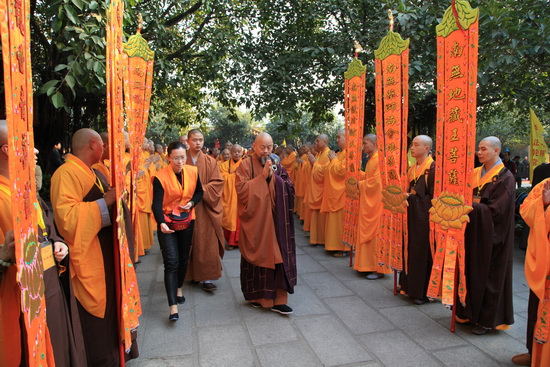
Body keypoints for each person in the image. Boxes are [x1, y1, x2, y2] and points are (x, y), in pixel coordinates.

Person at [0, 122, 86, 366]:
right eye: (28, 145)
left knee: (58, 350)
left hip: (49, 283)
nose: (37, 151)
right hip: (20, 299)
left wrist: (59, 244)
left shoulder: (25, 190)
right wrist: (4, 255)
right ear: (8, 150)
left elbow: (47, 230)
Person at [50, 128, 138, 365]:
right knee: (95, 321)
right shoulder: (65, 173)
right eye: (103, 145)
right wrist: (106, 201)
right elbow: (67, 220)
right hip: (89, 257)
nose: (106, 150)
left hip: (104, 255)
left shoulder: (93, 173)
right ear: (93, 145)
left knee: (111, 312)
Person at [456, 136, 515, 335]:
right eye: (478, 149)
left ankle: (486, 320)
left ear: (496, 151)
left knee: (489, 275)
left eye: (483, 149)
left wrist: (470, 206)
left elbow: (497, 211)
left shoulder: (506, 177)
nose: (478, 152)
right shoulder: (474, 173)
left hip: (492, 237)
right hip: (472, 231)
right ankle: (467, 312)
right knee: (469, 270)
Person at [235, 132, 297, 314]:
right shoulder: (245, 165)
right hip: (257, 222)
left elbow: (289, 186)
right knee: (257, 260)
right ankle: (256, 296)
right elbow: (241, 190)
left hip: (277, 222)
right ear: (253, 146)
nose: (266, 151)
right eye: (262, 147)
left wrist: (274, 179)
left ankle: (279, 300)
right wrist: (262, 178)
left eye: (269, 147)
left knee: (278, 258)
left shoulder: (277, 164)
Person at [152, 142, 203, 321]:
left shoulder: (193, 171)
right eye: (176, 158)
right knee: (171, 262)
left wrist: (191, 203)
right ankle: (173, 307)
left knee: (183, 258)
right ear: (168, 158)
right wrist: (160, 222)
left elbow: (199, 192)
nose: (180, 161)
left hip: (187, 220)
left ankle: (179, 288)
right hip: (168, 222)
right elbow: (156, 204)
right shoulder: (160, 177)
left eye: (183, 157)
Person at [511, 162, 550, 367]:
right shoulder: (545, 183)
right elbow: (525, 211)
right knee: (537, 308)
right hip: (546, 260)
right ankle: (535, 351)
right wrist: (543, 204)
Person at [186, 129, 225, 291]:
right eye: (195, 140)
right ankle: (192, 274)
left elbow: (217, 183)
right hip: (186, 207)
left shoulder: (210, 161)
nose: (198, 143)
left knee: (206, 241)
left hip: (205, 208)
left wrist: (201, 189)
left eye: (201, 140)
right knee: (189, 242)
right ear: (188, 141)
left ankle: (207, 278)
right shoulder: (182, 160)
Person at [398, 135, 435, 304]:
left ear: (427, 148)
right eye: (411, 145)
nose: (412, 148)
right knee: (409, 249)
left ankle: (423, 292)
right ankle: (409, 285)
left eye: (416, 145)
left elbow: (434, 199)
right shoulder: (412, 169)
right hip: (411, 216)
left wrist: (411, 199)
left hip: (425, 219)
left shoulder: (433, 169)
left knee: (422, 252)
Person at [353, 134, 390, 279]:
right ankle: (366, 265)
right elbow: (370, 178)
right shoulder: (371, 160)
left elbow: (378, 183)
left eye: (365, 143)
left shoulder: (381, 160)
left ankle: (377, 268)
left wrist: (361, 184)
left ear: (375, 144)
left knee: (376, 234)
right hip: (370, 203)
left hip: (376, 204)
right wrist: (360, 176)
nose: (363, 147)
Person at [321, 130, 349, 257]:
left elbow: (341, 172)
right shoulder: (340, 154)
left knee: (340, 222)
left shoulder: (349, 154)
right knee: (335, 222)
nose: (336, 140)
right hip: (335, 193)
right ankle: (334, 245)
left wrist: (333, 160)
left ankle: (343, 248)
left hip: (342, 194)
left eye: (339, 137)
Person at [307, 135, 330, 246]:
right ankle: (316, 238)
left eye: (317, 140)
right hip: (317, 189)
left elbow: (324, 172)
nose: (315, 142)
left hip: (322, 191)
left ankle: (321, 239)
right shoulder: (321, 154)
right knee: (316, 216)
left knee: (321, 217)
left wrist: (314, 163)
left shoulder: (328, 154)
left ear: (325, 141)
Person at [220, 144, 243, 250]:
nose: (237, 153)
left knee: (243, 219)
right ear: (231, 152)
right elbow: (221, 178)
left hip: (242, 197)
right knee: (229, 218)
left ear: (242, 152)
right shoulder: (224, 165)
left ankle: (242, 242)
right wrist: (235, 175)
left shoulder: (246, 164)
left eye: (239, 151)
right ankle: (231, 242)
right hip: (229, 197)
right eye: (235, 151)